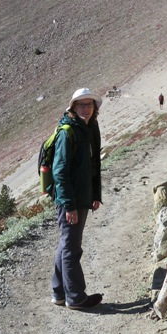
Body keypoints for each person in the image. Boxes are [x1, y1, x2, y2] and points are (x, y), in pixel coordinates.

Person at [51, 87, 103, 310]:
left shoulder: (89, 128)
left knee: (66, 244)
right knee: (72, 248)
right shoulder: (68, 132)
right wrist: (69, 205)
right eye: (80, 105)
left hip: (81, 197)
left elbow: (93, 165)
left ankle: (59, 293)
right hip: (71, 200)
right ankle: (76, 298)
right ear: (72, 107)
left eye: (89, 104)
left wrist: (95, 194)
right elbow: (60, 172)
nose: (85, 109)